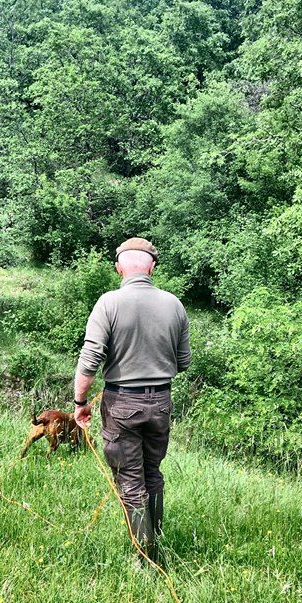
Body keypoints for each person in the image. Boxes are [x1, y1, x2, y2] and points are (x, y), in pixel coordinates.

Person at [72, 238, 191, 564]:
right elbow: (184, 362)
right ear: (152, 267)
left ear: (119, 267)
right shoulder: (175, 305)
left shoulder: (108, 303)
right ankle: (156, 540)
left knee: (130, 481)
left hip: (122, 403)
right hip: (161, 402)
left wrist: (79, 401)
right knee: (152, 473)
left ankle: (145, 557)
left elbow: (90, 358)